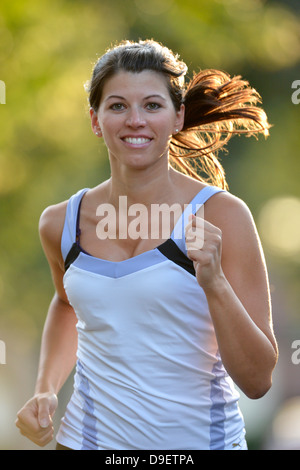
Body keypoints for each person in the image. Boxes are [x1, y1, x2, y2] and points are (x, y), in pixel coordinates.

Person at [16, 39, 278, 451]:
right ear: (95, 120)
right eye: (118, 106)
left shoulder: (222, 217)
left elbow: (259, 380)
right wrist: (46, 388)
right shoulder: (60, 224)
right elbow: (67, 302)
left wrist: (215, 284)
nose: (135, 120)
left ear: (178, 118)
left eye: (152, 106)